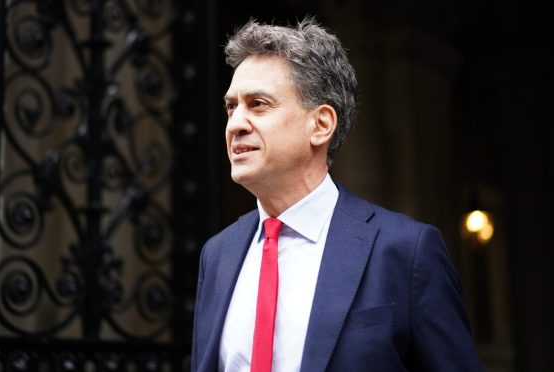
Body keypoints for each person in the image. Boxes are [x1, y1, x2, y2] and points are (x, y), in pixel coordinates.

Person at [191, 18, 483, 372]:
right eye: (231, 107)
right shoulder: (218, 254)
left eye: (258, 104)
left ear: (321, 125)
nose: (236, 124)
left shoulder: (406, 251)